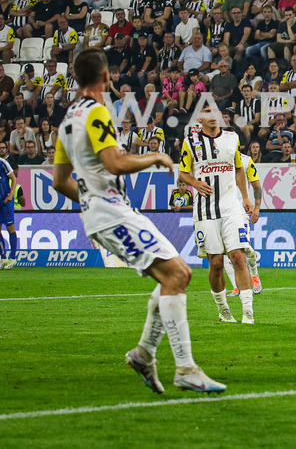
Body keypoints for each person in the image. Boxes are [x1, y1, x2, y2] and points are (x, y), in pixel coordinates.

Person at [50, 48, 224, 394]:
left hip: (105, 212)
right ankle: (186, 368)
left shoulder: (68, 119)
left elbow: (58, 181)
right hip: (111, 212)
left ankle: (144, 353)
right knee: (178, 274)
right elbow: (114, 163)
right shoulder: (97, 112)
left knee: (172, 276)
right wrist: (154, 156)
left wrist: (89, 203)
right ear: (105, 77)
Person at [177, 107, 259, 325]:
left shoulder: (232, 138)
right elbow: (183, 172)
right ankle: (223, 310)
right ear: (200, 118)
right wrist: (195, 183)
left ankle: (248, 312)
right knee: (216, 263)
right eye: (207, 111)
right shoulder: (190, 142)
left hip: (231, 207)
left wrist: (245, 197)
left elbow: (239, 169)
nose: (213, 114)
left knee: (238, 257)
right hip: (205, 210)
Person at [225, 149, 264, 298]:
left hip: (240, 211)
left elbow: (256, 185)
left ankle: (254, 276)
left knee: (244, 247)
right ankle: (237, 286)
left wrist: (257, 207)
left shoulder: (246, 160)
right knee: (224, 251)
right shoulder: (216, 159)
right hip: (221, 211)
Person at [0, 153, 16, 269]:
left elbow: (13, 178)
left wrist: (11, 195)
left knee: (10, 228)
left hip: (6, 200)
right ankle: (3, 257)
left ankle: (13, 258)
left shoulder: (3, 163)